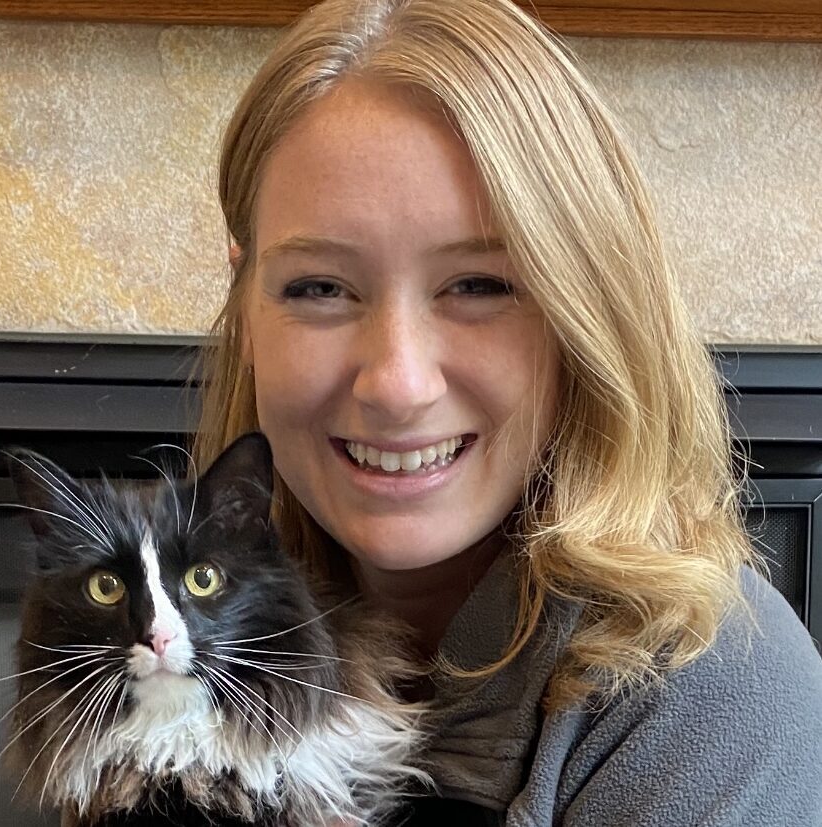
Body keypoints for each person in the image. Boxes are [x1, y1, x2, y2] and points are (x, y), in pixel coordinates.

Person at [193, 0, 822, 823]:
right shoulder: (176, 633)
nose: (397, 382)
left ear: (583, 314)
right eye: (318, 287)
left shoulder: (717, 692)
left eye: (479, 286)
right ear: (246, 310)